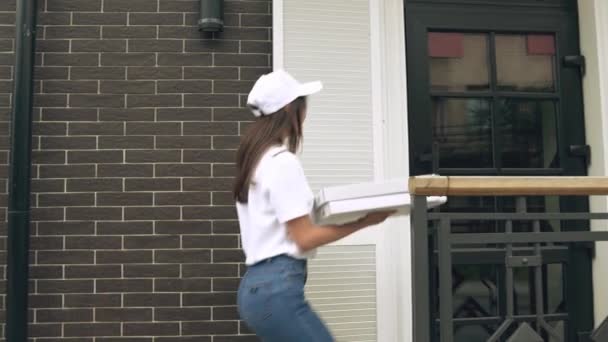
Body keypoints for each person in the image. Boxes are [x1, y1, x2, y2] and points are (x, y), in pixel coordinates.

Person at [234, 70, 392, 342]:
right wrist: (364, 221)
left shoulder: (256, 160)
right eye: (303, 103)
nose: (306, 111)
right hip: (276, 290)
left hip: (257, 289)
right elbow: (305, 238)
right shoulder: (283, 163)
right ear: (289, 108)